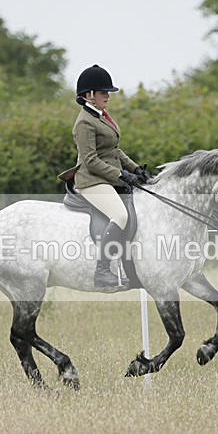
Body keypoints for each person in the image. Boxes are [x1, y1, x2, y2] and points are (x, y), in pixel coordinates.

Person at [68, 64, 150, 289]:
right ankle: (102, 271)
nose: (108, 96)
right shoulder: (84, 122)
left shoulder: (102, 116)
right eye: (104, 92)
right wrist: (121, 175)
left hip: (108, 177)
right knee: (120, 216)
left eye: (108, 93)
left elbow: (114, 150)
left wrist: (135, 170)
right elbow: (90, 161)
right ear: (89, 95)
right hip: (91, 180)